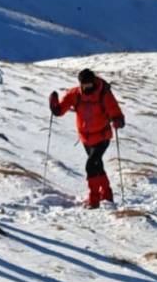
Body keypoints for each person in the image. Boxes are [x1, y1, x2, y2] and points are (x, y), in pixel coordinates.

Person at [49, 69, 125, 208]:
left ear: (94, 82)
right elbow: (61, 109)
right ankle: (107, 194)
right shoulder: (74, 94)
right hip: (86, 138)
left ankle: (94, 200)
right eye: (85, 84)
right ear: (80, 84)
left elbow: (114, 108)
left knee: (90, 165)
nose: (88, 87)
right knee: (97, 166)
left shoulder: (103, 93)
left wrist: (118, 119)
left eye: (90, 84)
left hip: (102, 136)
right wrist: (55, 107)